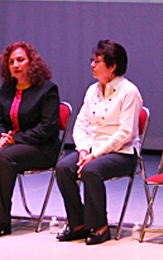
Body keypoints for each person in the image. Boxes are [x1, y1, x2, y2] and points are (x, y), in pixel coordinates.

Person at [55, 39, 143, 246]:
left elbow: (125, 132)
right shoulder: (92, 90)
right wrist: (84, 150)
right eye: (92, 61)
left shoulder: (129, 92)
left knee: (91, 170)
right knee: (63, 168)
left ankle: (100, 227)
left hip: (122, 153)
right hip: (92, 150)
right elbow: (80, 124)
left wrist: (94, 155)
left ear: (112, 67)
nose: (92, 65)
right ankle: (78, 224)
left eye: (97, 61)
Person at [0, 42, 62, 238]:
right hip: (11, 143)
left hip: (42, 147)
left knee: (5, 156)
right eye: (11, 61)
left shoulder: (47, 90)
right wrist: (3, 136)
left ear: (32, 63)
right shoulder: (7, 89)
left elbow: (47, 128)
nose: (15, 65)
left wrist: (15, 139)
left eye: (20, 60)